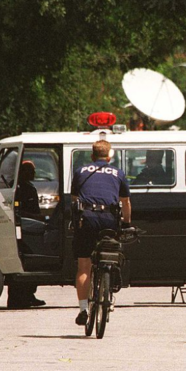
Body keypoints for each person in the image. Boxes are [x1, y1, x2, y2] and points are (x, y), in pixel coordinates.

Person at [71, 140, 131, 326]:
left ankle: (83, 309)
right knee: (111, 253)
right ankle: (109, 290)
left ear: (92, 156)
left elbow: (74, 199)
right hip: (108, 219)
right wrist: (127, 223)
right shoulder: (118, 173)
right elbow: (126, 202)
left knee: (84, 266)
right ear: (109, 156)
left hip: (87, 219)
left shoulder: (80, 172)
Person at [7, 160, 46, 309]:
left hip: (28, 223)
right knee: (30, 257)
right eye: (30, 171)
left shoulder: (26, 187)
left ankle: (28, 295)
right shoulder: (20, 188)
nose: (33, 174)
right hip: (23, 226)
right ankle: (20, 298)